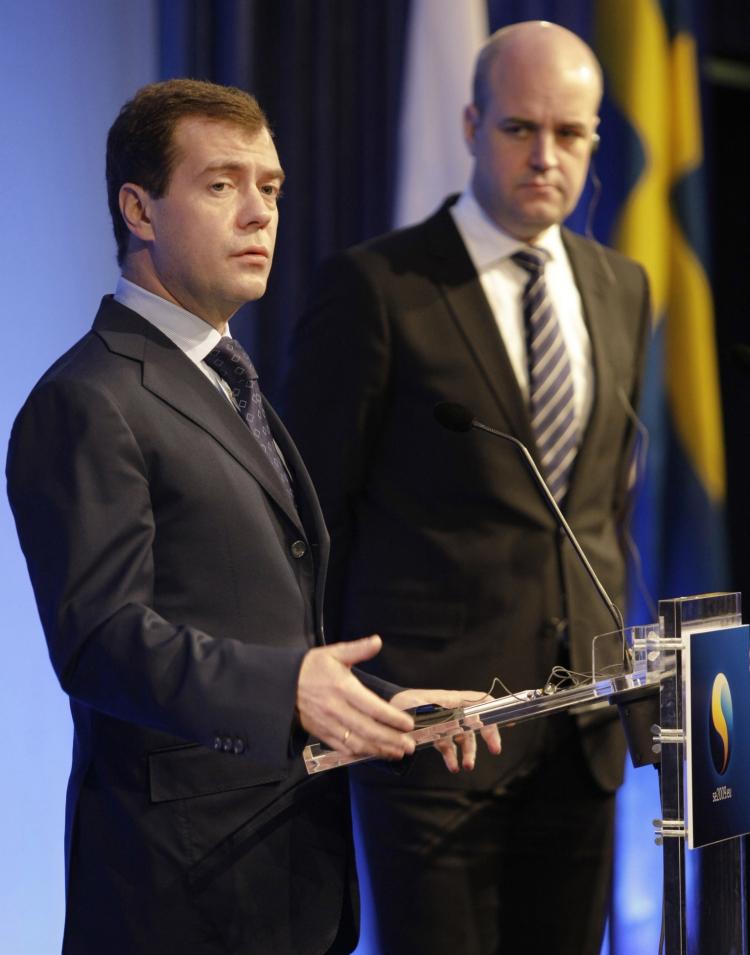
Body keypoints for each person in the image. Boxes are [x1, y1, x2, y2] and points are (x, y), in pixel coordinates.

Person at [5, 79, 500, 955]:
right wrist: (290, 692)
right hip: (177, 897)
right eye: (221, 184)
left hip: (287, 879)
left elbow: (259, 627)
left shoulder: (232, 381)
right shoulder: (88, 398)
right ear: (139, 208)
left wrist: (382, 706)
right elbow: (100, 640)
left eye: (270, 188)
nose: (259, 214)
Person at [281, 21, 651, 955]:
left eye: (571, 134)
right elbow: (307, 514)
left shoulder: (622, 286)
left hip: (581, 737)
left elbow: (600, 507)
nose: (546, 156)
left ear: (596, 139)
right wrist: (352, 696)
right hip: (434, 742)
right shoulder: (379, 287)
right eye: (521, 129)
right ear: (471, 123)